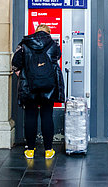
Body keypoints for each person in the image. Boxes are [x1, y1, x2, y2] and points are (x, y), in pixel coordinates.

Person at [12, 24, 65, 159]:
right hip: (48, 86)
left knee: (30, 116)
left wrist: (23, 75)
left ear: (35, 32)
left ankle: (30, 150)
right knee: (47, 115)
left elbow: (15, 63)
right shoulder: (53, 44)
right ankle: (48, 150)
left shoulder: (24, 44)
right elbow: (57, 58)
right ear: (48, 32)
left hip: (30, 86)